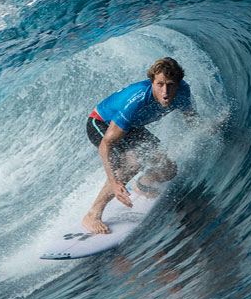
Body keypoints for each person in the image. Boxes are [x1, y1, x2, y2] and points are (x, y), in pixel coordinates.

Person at [83, 57, 201, 234]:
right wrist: (114, 182)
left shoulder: (183, 92)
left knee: (168, 168)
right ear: (152, 82)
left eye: (170, 84)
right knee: (132, 163)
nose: (165, 91)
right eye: (160, 84)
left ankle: (143, 186)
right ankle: (93, 214)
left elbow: (192, 119)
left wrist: (213, 127)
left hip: (131, 126)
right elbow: (106, 145)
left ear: (179, 83)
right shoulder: (137, 100)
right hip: (101, 123)